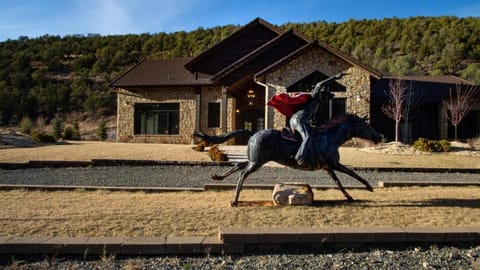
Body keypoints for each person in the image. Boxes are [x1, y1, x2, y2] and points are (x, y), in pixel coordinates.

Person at [288, 72, 344, 167]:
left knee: (313, 137)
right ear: (321, 94)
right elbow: (319, 84)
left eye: (328, 97)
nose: (326, 98)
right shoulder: (314, 96)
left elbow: (312, 119)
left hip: (300, 120)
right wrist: (335, 77)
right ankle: (299, 158)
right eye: (325, 95)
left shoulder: (317, 105)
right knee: (307, 137)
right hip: (299, 119)